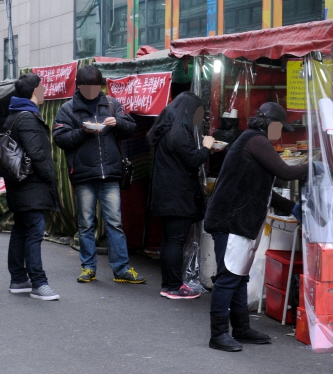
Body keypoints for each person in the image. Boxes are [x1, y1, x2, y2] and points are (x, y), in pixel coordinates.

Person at [204, 102, 307, 352]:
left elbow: (262, 188)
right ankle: (218, 334)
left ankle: (241, 329)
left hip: (240, 220)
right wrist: (316, 166)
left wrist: (291, 206)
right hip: (231, 220)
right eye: (279, 128)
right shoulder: (256, 140)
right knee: (229, 278)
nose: (280, 133)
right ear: (269, 124)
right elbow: (285, 172)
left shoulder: (254, 141)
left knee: (239, 277)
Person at [53, 65, 146, 284]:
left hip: (111, 173)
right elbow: (60, 139)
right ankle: (88, 268)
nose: (92, 92)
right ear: (79, 86)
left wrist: (118, 123)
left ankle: (121, 269)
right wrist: (83, 131)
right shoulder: (68, 109)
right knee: (86, 223)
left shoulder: (112, 104)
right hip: (83, 174)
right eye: (87, 87)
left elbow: (131, 127)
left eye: (96, 87)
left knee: (114, 222)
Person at [148, 92, 215, 299]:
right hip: (178, 194)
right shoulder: (179, 133)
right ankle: (175, 287)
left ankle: (168, 285)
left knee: (169, 240)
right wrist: (207, 147)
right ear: (188, 111)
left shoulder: (164, 129)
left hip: (165, 193)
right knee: (175, 241)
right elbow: (193, 159)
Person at [4, 73, 61, 301]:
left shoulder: (16, 115)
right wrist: (49, 176)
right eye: (42, 88)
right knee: (35, 232)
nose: (45, 92)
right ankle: (39, 282)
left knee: (20, 229)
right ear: (34, 92)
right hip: (31, 184)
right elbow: (36, 153)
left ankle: (18, 279)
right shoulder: (27, 117)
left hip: (20, 183)